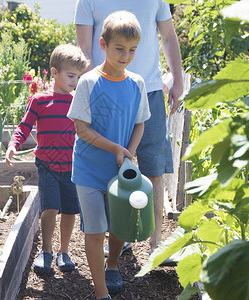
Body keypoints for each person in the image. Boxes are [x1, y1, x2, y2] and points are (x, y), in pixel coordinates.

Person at [74, 0, 184, 256]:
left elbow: (168, 36)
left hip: (151, 88)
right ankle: (116, 232)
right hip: (107, 93)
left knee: (154, 165)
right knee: (111, 161)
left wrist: (177, 79)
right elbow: (85, 50)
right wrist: (97, 93)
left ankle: (156, 243)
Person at [67, 11, 150, 300]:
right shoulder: (88, 82)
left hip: (121, 171)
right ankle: (101, 291)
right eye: (119, 49)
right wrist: (116, 148)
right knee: (95, 229)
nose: (126, 56)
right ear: (102, 44)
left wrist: (130, 153)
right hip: (89, 169)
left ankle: (112, 264)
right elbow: (81, 129)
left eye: (132, 50)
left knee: (119, 226)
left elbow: (140, 122)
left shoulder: (137, 84)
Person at [6, 44, 89, 274]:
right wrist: (14, 144)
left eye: (78, 77)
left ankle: (64, 252)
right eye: (70, 75)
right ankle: (46, 251)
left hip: (72, 167)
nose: (75, 81)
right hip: (47, 165)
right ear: (54, 72)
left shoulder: (77, 101)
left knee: (70, 210)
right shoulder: (40, 101)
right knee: (50, 207)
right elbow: (24, 126)